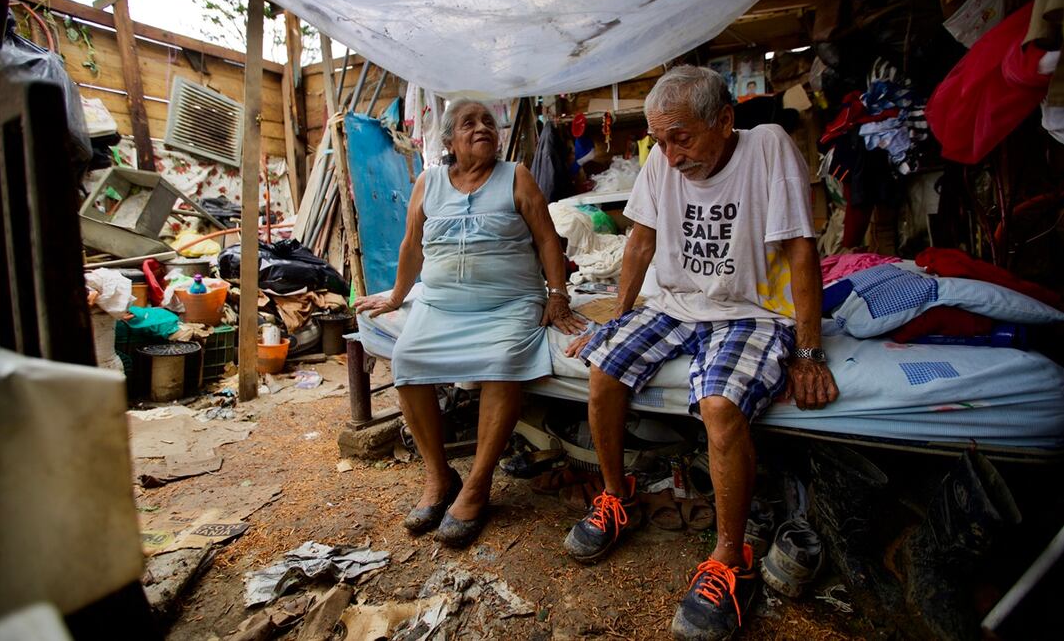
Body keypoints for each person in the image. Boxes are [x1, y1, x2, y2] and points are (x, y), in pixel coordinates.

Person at [562, 66, 838, 640]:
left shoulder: (768, 148)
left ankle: (729, 558)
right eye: (660, 140)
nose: (669, 153)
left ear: (724, 120)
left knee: (719, 405)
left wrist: (808, 351)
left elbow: (801, 249)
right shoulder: (663, 160)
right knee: (603, 370)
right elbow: (640, 239)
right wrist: (618, 317)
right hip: (676, 303)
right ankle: (617, 497)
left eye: (681, 137)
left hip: (751, 309)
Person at [355, 100, 584, 548]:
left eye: (487, 122)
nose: (482, 128)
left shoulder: (516, 176)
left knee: (502, 362)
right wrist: (398, 295)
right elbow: (412, 245)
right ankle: (440, 478)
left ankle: (478, 485)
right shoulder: (428, 182)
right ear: (448, 141)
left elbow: (547, 240)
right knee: (407, 357)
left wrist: (557, 297)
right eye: (469, 123)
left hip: (510, 303)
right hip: (441, 304)